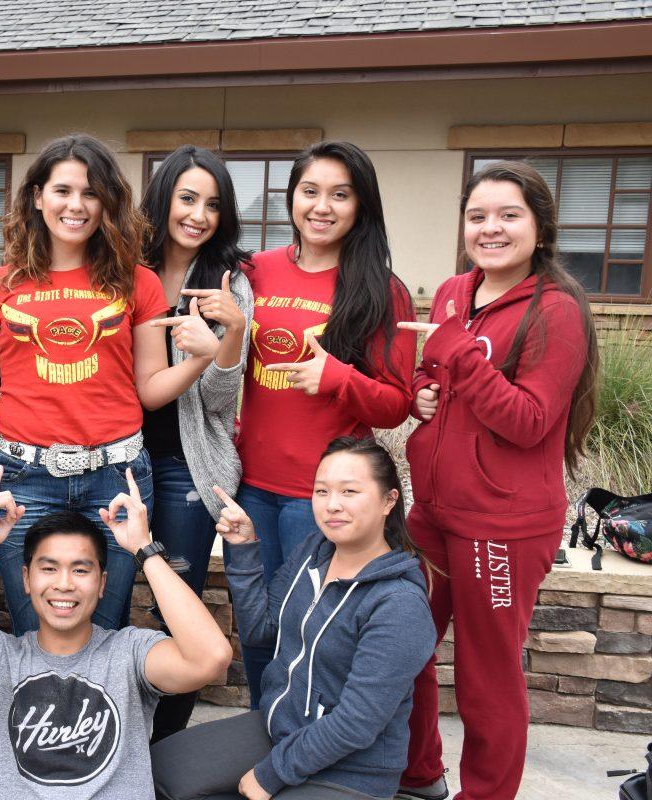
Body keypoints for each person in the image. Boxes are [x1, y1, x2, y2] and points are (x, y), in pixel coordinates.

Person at [0, 133, 221, 636]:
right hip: (24, 481)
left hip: (116, 477)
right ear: (37, 196)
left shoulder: (136, 282)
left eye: (91, 193)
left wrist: (201, 360)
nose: (76, 205)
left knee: (104, 632)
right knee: (35, 634)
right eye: (63, 191)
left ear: (107, 204)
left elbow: (149, 390)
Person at [396, 161, 599, 800]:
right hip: (432, 511)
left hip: (502, 525)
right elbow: (434, 369)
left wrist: (455, 354)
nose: (491, 228)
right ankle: (416, 773)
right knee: (402, 648)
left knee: (487, 679)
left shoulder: (557, 311)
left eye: (509, 215)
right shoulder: (458, 291)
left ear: (539, 229)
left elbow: (530, 421)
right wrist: (424, 392)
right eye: (478, 216)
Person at [0, 467, 233, 800]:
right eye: (48, 568)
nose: (64, 583)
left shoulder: (130, 653)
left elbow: (211, 658)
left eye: (80, 569)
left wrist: (143, 548)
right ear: (26, 579)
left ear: (102, 583)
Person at [229, 140, 417, 708]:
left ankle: (307, 749)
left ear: (361, 206)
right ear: (292, 197)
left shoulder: (382, 290)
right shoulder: (254, 271)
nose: (322, 206)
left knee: (312, 636)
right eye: (310, 192)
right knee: (258, 633)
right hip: (254, 485)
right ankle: (267, 740)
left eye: (340, 195)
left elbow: (395, 404)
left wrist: (338, 376)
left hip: (324, 497)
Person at [151, 437, 437, 800]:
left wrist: (270, 774)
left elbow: (357, 723)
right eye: (322, 491)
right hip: (279, 728)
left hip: (351, 770)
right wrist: (243, 548)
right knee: (156, 770)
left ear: (388, 500)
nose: (332, 505)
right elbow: (259, 631)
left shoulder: (399, 603)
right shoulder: (313, 553)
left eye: (350, 491)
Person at [137, 144, 254, 740]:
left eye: (212, 204)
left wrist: (228, 335)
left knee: (175, 606)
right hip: (117, 458)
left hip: (188, 464)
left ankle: (164, 749)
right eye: (187, 198)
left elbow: (216, 403)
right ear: (162, 200)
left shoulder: (230, 283)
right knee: (100, 599)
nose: (198, 215)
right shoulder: (122, 269)